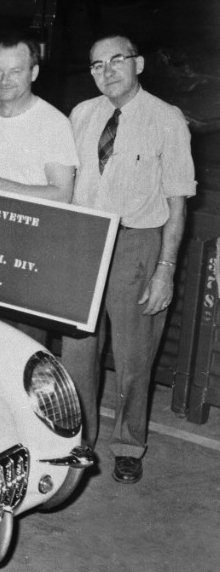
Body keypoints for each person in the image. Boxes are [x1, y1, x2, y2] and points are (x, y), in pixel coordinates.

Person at [61, 35, 195, 485]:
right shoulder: (82, 114)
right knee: (78, 350)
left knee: (135, 354)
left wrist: (166, 269)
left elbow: (178, 204)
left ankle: (128, 444)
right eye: (97, 65)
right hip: (84, 239)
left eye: (117, 60)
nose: (107, 71)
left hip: (137, 242)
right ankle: (79, 440)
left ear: (137, 63)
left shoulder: (167, 119)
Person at [0, 36, 78, 202]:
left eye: (15, 71)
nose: (4, 80)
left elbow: (62, 196)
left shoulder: (55, 123)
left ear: (34, 73)